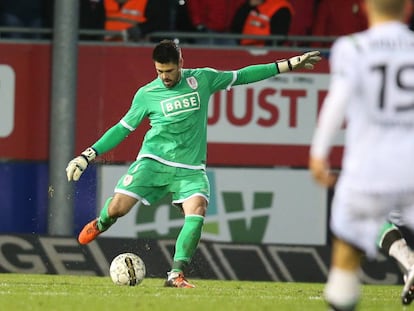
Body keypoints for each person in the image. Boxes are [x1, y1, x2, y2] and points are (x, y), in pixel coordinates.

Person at [66, 39, 321, 288]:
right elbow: (122, 130)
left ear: (181, 63)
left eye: (168, 71)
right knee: (118, 209)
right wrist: (87, 155)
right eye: (159, 71)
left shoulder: (202, 79)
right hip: (153, 161)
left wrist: (287, 64)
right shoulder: (146, 94)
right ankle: (101, 223)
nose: (164, 77)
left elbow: (243, 75)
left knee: (197, 210)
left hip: (190, 168)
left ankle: (176, 274)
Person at [309, 0, 414, 309]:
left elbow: (336, 102)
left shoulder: (352, 47)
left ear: (366, 7)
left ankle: (404, 264)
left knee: (347, 248)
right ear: (408, 7)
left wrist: (319, 153)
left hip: (370, 166)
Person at [103, 0, 170, 42]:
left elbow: (159, 22)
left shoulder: (148, 2)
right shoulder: (104, 2)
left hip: (135, 50)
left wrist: (140, 30)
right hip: (103, 49)